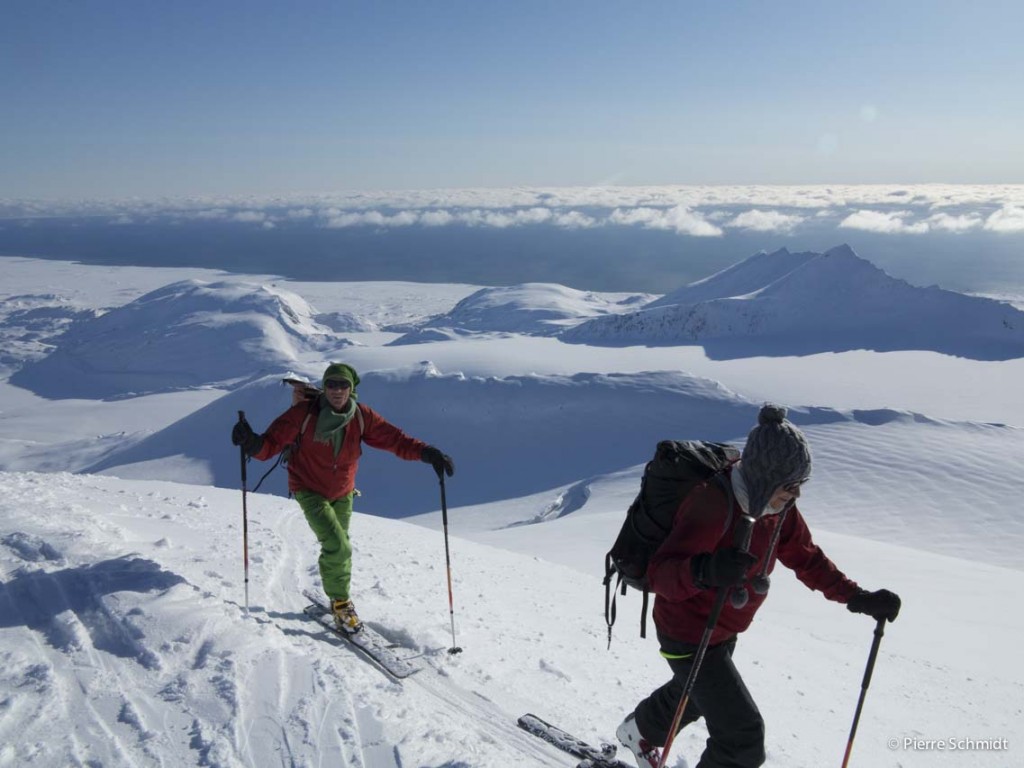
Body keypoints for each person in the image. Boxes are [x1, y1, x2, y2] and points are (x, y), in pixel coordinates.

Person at [615, 404, 901, 768]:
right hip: (687, 632)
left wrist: (857, 596)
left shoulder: (776, 509)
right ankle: (643, 729)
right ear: (766, 477)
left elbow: (805, 556)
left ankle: (640, 730)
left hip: (722, 630)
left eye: (801, 484)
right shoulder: (713, 504)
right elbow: (662, 574)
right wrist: (706, 569)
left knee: (697, 694)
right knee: (742, 739)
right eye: (792, 485)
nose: (797, 494)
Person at [231, 362, 454, 633]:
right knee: (338, 545)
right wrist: (251, 442)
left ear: (352, 388)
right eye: (331, 384)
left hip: (343, 491)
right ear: (324, 387)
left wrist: (428, 452)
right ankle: (341, 605)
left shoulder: (361, 416)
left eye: (343, 385)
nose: (337, 390)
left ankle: (337, 596)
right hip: (308, 488)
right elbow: (270, 445)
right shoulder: (303, 414)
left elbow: (395, 439)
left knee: (340, 547)